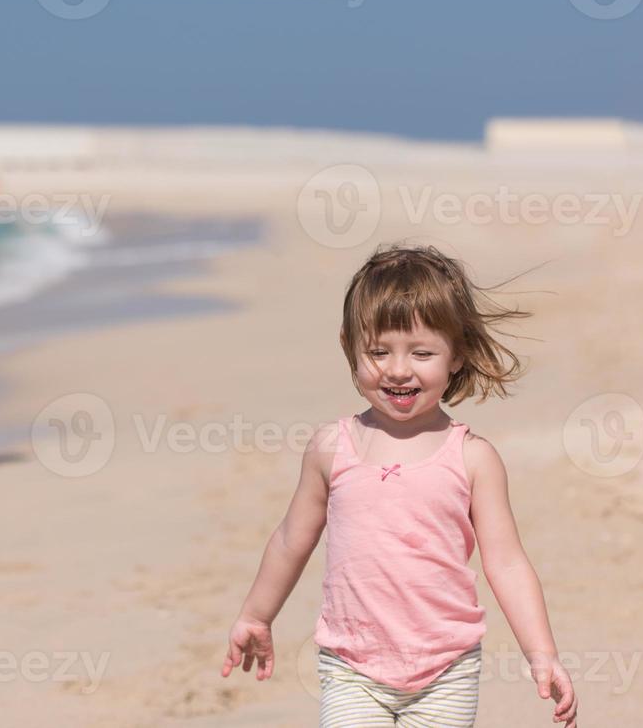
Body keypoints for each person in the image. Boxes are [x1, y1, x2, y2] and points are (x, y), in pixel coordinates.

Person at [219, 243, 577, 728]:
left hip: (445, 667)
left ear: (457, 355)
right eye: (378, 351)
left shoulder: (472, 458)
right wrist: (256, 616)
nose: (398, 369)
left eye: (422, 352)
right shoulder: (332, 448)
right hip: (352, 666)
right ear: (350, 347)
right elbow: (291, 539)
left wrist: (542, 652)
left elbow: (507, 563)